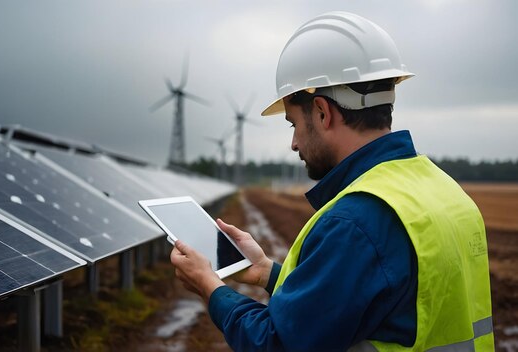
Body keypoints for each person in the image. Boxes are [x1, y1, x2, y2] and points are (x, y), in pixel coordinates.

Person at [170, 11, 494, 351]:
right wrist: (266, 271)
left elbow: (276, 343)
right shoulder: (446, 192)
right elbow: (365, 300)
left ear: (323, 112)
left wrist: (210, 287)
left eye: (293, 124)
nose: (294, 144)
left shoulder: (356, 221)